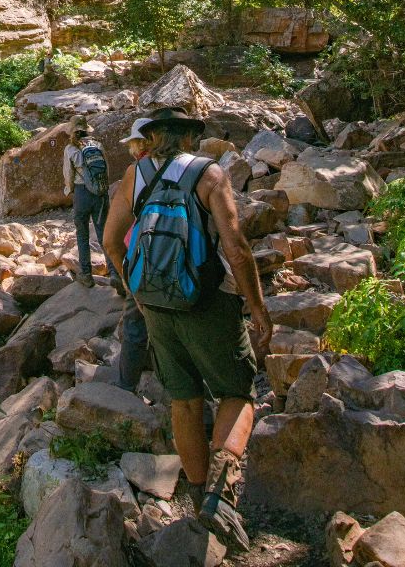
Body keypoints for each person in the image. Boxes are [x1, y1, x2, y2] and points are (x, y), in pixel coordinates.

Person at [103, 107, 272, 554]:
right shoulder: (207, 173)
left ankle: (198, 496)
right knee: (238, 391)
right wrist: (258, 309)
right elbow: (235, 248)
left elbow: (109, 241)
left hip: (155, 302)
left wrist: (134, 289)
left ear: (154, 136)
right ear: (190, 139)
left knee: (183, 398)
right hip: (204, 300)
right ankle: (221, 491)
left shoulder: (134, 175)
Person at [63, 117, 124, 295]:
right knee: (104, 233)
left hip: (82, 194)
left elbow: (68, 175)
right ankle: (115, 274)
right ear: (87, 130)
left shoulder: (71, 148)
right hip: (100, 194)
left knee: (82, 234)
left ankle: (86, 275)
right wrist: (102, 189)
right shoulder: (97, 145)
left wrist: (69, 190)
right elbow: (106, 169)